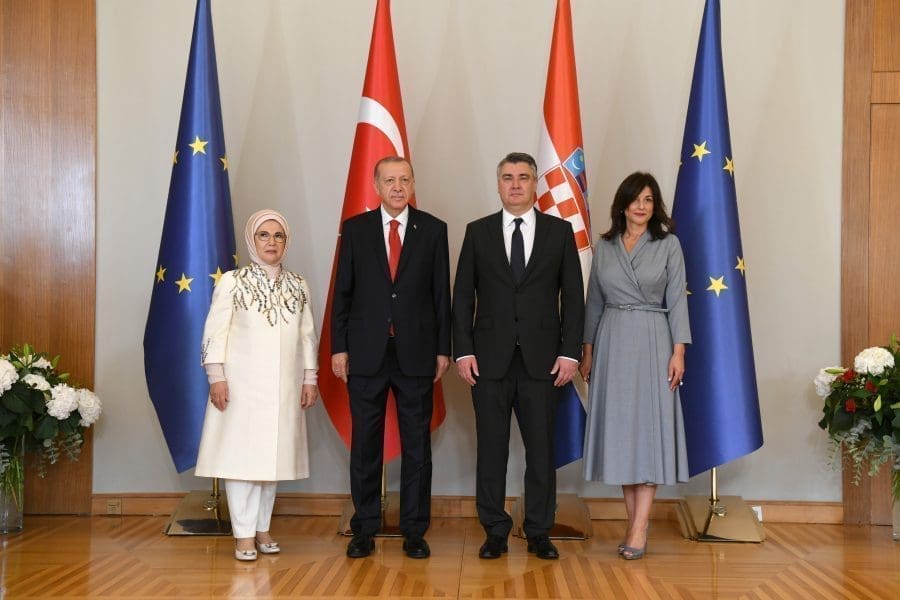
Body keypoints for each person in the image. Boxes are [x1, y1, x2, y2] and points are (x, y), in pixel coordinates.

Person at [452, 152, 584, 560]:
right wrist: (463, 351)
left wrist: (570, 353)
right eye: (507, 177)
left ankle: (539, 531)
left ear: (534, 184)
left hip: (543, 363)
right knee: (491, 450)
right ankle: (494, 531)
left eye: (523, 177)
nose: (515, 184)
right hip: (487, 361)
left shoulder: (559, 232)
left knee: (541, 452)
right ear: (498, 184)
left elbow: (573, 298)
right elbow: (462, 297)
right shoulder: (478, 232)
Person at [330, 156, 451, 559]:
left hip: (417, 354)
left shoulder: (433, 229)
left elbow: (441, 295)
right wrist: (339, 347)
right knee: (366, 445)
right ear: (376, 185)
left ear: (413, 183)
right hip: (366, 354)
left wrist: (443, 349)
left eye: (404, 180)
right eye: (389, 180)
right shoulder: (356, 229)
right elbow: (342, 293)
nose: (397, 187)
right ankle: (364, 528)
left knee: (418, 447)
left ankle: (414, 531)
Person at [195, 209, 319, 562]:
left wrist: (310, 378)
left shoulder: (298, 284)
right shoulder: (232, 282)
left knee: (272, 461)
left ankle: (263, 528)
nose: (271, 242)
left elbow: (307, 335)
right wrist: (216, 377)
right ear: (252, 239)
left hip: (284, 388)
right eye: (264, 235)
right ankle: (243, 534)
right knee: (242, 461)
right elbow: (214, 332)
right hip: (241, 389)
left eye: (278, 236)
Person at [579, 172, 691, 560]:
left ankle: (640, 528)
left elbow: (677, 300)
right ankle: (634, 525)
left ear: (654, 206)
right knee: (623, 437)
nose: (641, 206)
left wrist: (679, 352)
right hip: (612, 341)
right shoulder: (605, 246)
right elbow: (594, 301)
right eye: (635, 199)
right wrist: (588, 351)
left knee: (648, 434)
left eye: (648, 199)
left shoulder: (668, 244)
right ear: (623, 204)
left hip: (653, 340)